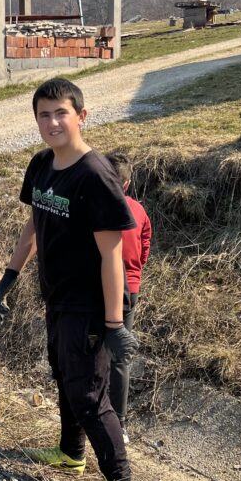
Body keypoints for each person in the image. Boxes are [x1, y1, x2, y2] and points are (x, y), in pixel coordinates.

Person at [0, 78, 139, 481]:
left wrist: (114, 324)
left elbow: (112, 255)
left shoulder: (95, 176)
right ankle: (71, 453)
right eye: (44, 114)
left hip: (91, 303)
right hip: (56, 295)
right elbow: (34, 223)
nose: (53, 121)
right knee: (63, 373)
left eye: (61, 112)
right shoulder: (41, 165)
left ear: (81, 116)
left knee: (89, 390)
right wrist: (11, 272)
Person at [105, 151, 151, 426]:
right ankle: (118, 422)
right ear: (126, 183)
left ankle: (96, 414)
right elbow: (144, 249)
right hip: (130, 289)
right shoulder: (139, 210)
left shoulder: (98, 206)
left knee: (94, 352)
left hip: (101, 287)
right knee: (119, 357)